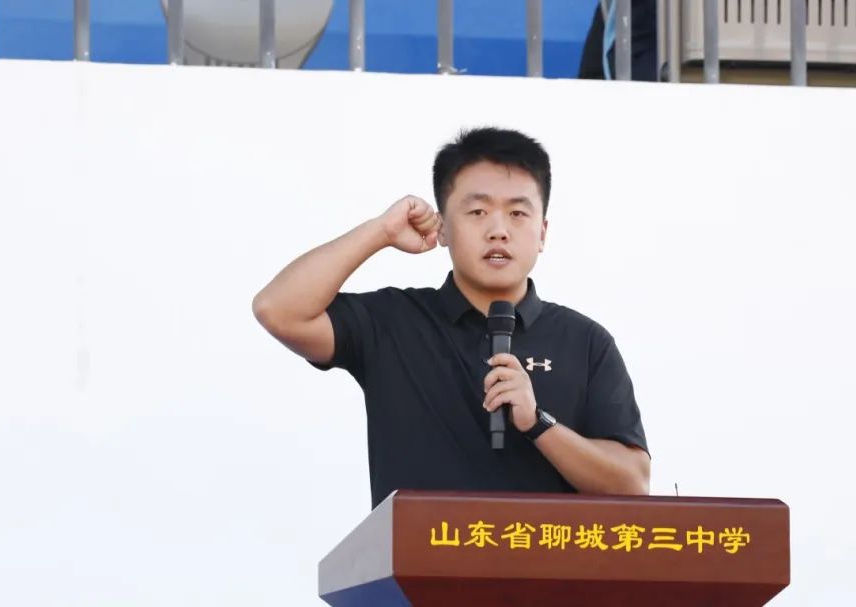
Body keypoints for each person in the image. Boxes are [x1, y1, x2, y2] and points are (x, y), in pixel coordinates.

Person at [252, 127, 650, 509]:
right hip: (418, 557)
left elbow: (632, 483)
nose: (498, 231)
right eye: (477, 211)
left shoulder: (584, 341)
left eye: (517, 213)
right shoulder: (393, 323)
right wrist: (381, 231)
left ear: (542, 232)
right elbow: (279, 310)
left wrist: (537, 423)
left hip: (542, 556)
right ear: (442, 228)